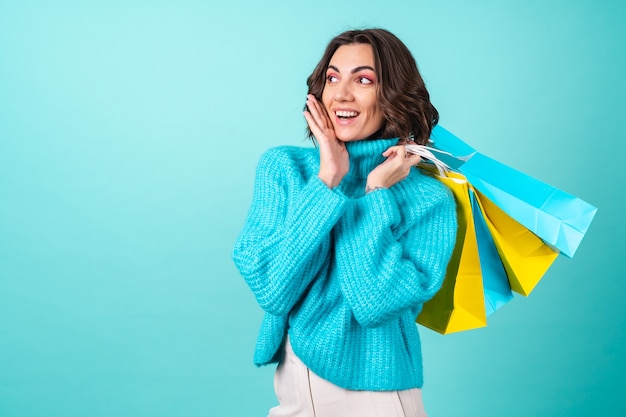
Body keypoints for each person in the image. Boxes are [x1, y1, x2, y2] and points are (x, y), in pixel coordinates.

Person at [232, 28, 457, 417]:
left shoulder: (429, 199)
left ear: (394, 94)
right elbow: (272, 288)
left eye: (364, 80)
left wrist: (375, 195)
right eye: (332, 77)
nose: (341, 94)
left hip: (378, 397)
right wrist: (327, 179)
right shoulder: (285, 169)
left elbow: (375, 303)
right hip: (295, 390)